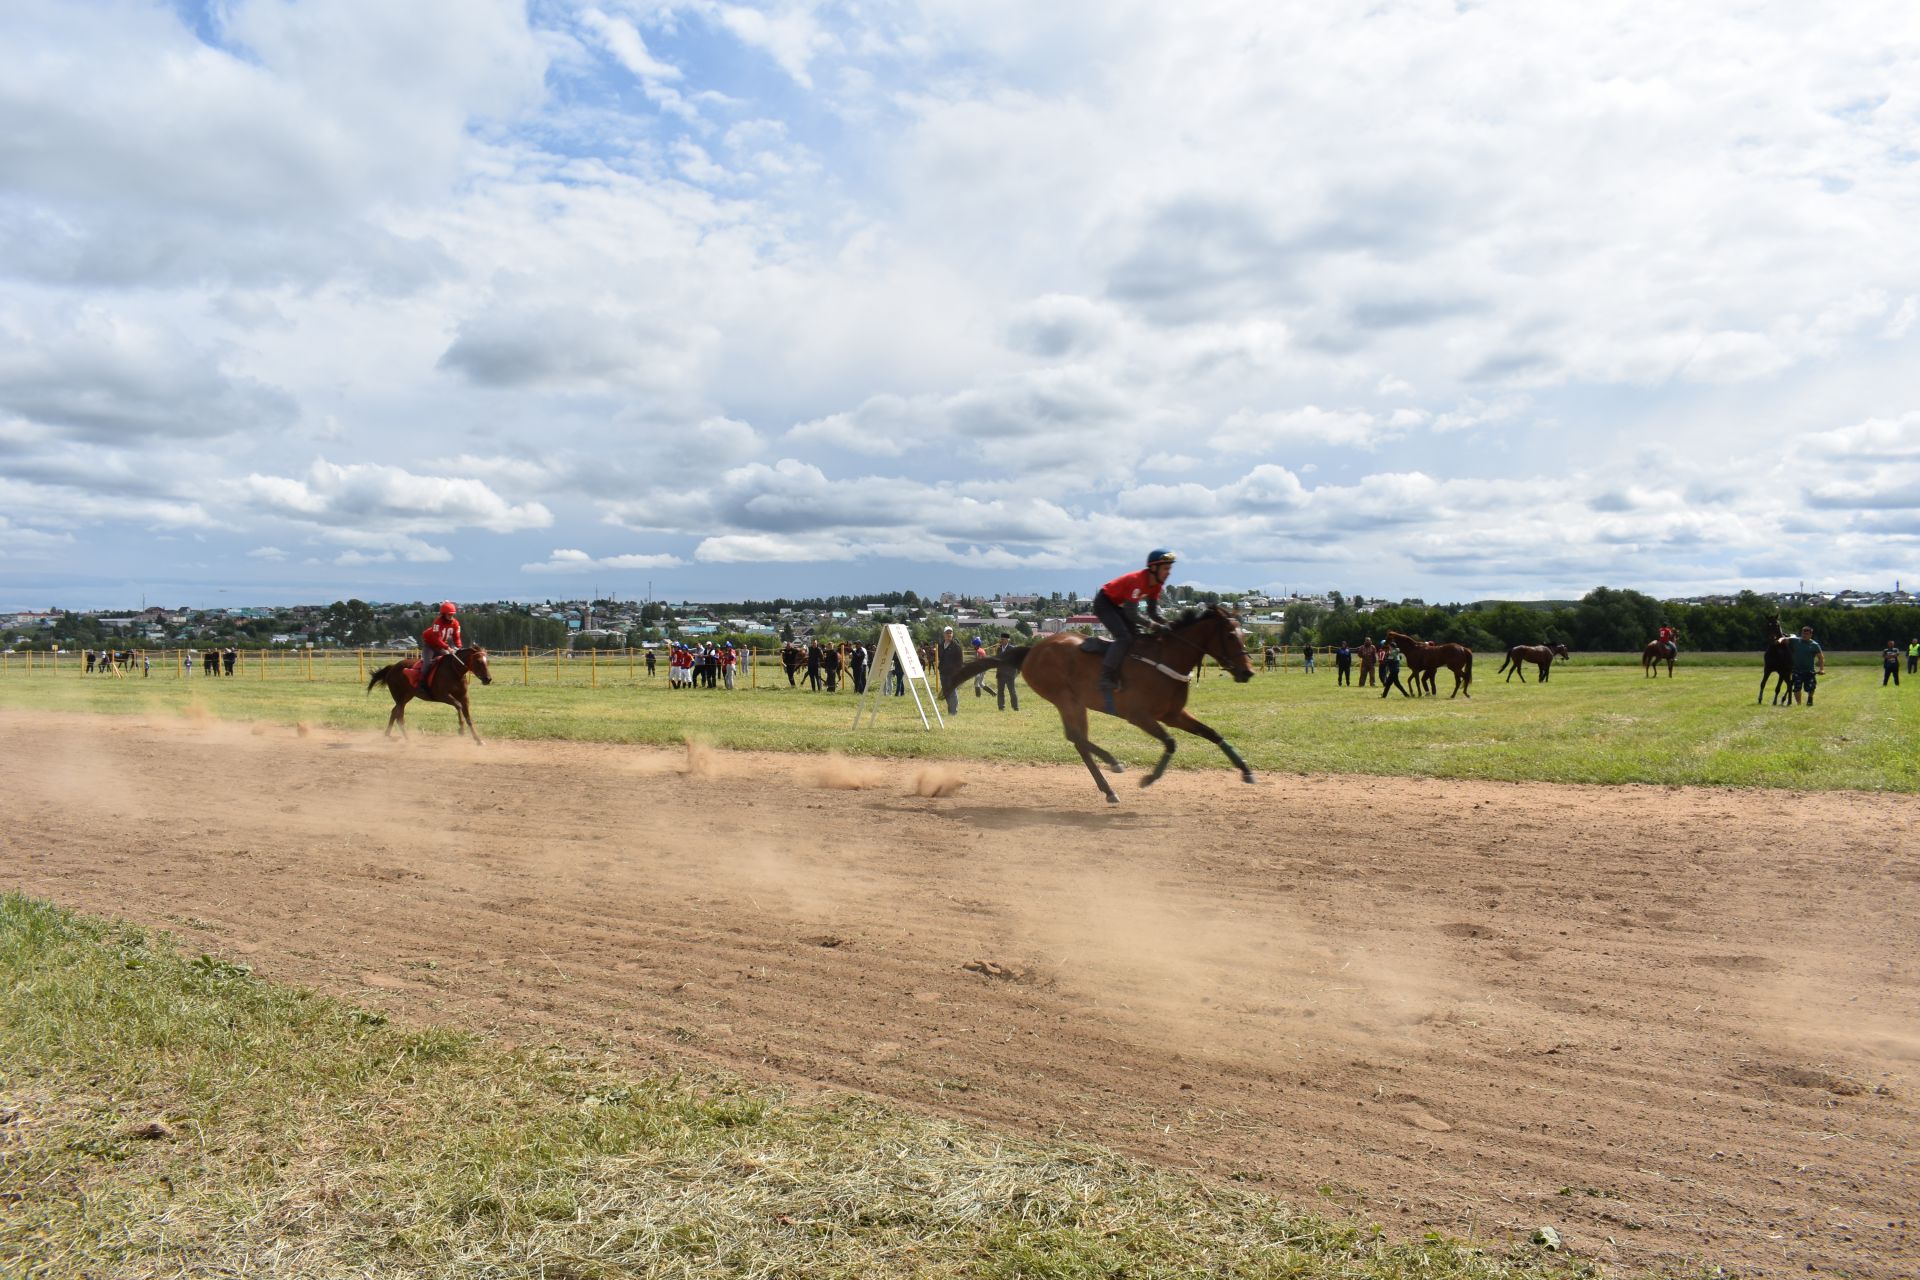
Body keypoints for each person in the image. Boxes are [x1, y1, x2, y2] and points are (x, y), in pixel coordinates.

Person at [1093, 549, 1176, 711]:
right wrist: (1153, 626)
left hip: (1118, 605)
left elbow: (1153, 612)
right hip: (1104, 603)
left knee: (1137, 638)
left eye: (1170, 569)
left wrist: (1169, 623)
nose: (1169, 573)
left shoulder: (1157, 584)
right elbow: (1132, 613)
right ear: (1154, 568)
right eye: (1166, 569)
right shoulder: (1138, 580)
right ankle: (1105, 677)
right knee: (1124, 637)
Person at [421, 602, 462, 689]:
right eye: (449, 614)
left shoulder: (455, 623)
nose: (451, 616)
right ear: (443, 614)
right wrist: (448, 648)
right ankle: (421, 683)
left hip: (441, 646)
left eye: (453, 614)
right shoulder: (437, 622)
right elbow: (436, 639)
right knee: (427, 663)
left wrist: (459, 647)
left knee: (449, 662)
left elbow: (457, 637)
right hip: (430, 646)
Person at [1789, 625, 1825, 705]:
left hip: (1809, 671)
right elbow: (1785, 640)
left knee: (1811, 687)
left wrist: (1821, 669)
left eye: (1807, 634)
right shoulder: (1795, 641)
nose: (1804, 635)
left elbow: (1821, 658)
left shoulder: (1814, 645)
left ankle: (1810, 698)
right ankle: (1799, 704)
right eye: (1803, 633)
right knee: (1797, 688)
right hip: (1797, 670)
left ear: (1811, 635)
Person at [937, 626, 965, 715]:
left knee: (952, 692)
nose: (949, 634)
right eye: (947, 633)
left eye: (950, 633)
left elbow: (960, 662)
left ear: (952, 634)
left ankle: (954, 711)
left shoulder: (956, 647)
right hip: (943, 672)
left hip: (952, 673)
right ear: (944, 634)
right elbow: (940, 658)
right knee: (946, 692)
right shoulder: (940, 646)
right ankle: (950, 710)